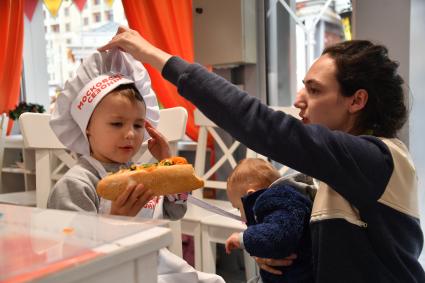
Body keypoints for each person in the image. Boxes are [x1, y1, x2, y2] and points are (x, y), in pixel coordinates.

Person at [99, 26, 425, 282]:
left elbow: (259, 123)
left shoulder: (375, 159)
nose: (300, 99)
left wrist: (151, 54)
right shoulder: (337, 173)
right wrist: (275, 247)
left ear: (357, 101)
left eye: (314, 90)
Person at [48, 49, 224, 283]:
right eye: (117, 123)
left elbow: (175, 211)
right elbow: (74, 256)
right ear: (87, 127)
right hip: (108, 273)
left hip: (154, 264)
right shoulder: (77, 184)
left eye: (139, 125)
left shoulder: (144, 174)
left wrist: (167, 166)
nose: (130, 134)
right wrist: (116, 221)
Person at [224, 158, 314, 283]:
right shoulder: (280, 201)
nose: (241, 215)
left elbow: (279, 235)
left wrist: (242, 238)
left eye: (239, 208)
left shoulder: (278, 200)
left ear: (250, 196)